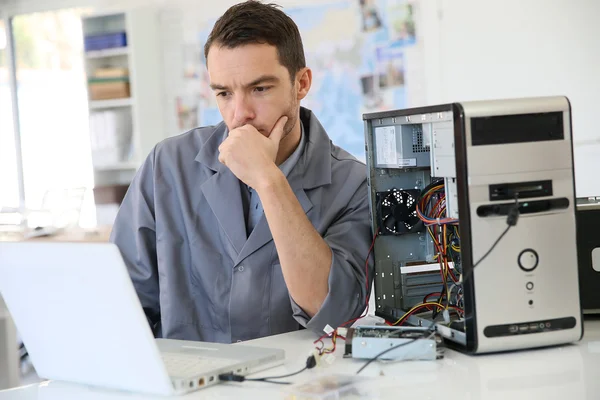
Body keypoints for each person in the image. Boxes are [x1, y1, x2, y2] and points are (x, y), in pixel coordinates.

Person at [110, 0, 374, 344]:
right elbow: (120, 304)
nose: (240, 114)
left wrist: (268, 180)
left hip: (297, 389)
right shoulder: (167, 165)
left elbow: (333, 314)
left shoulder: (355, 185)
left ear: (302, 83)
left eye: (260, 89)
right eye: (224, 93)